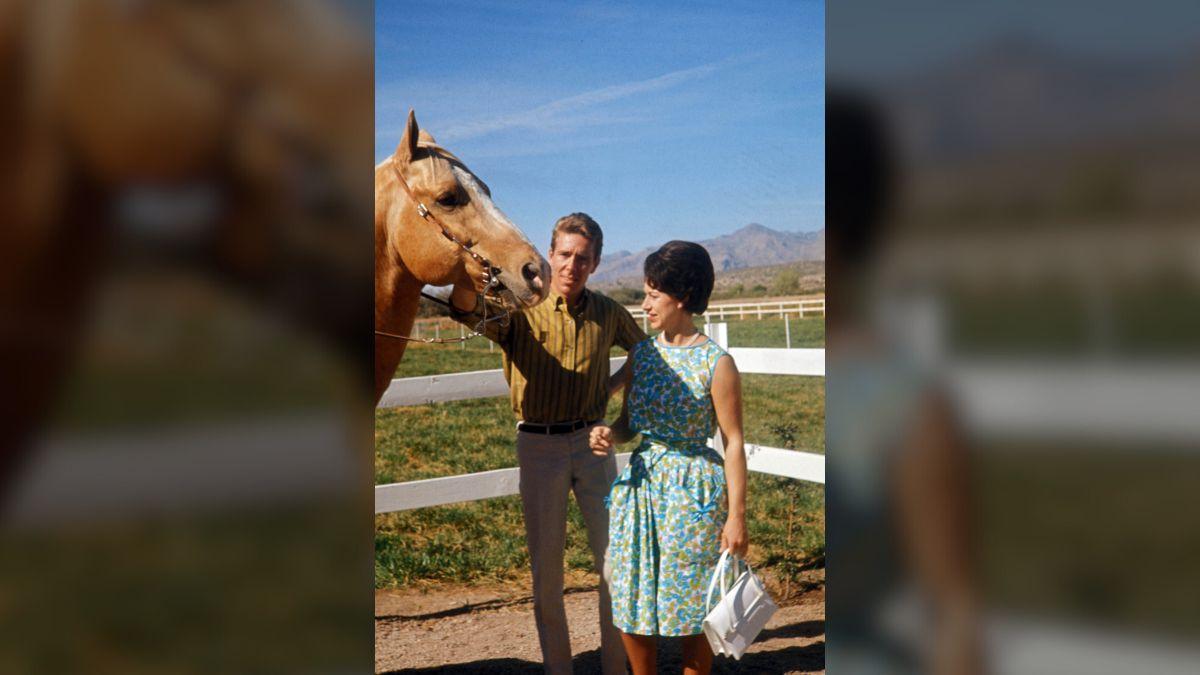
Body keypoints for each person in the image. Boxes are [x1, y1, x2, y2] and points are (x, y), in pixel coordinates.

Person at [448, 212, 644, 675]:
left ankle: (617, 668)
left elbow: (645, 355)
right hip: (539, 448)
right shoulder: (520, 307)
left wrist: (612, 394)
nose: (573, 265)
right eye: (565, 255)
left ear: (595, 264)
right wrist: (460, 270)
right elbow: (463, 309)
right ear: (549, 254)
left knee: (615, 566)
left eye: (584, 258)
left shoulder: (609, 313)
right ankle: (560, 669)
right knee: (547, 575)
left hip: (594, 444)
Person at [589, 241, 748, 675]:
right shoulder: (642, 355)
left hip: (693, 492)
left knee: (695, 600)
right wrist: (610, 433)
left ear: (681, 296)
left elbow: (733, 442)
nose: (644, 305)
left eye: (653, 294)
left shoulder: (717, 363)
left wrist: (737, 516)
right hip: (640, 490)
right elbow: (628, 424)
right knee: (630, 591)